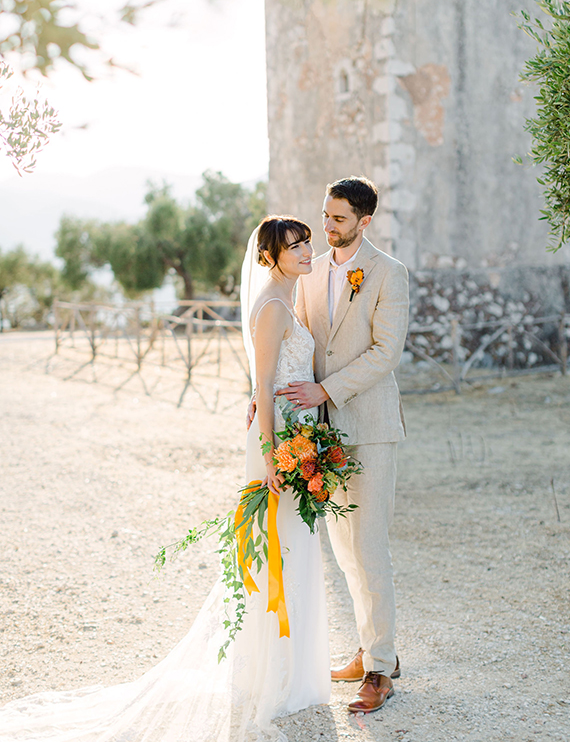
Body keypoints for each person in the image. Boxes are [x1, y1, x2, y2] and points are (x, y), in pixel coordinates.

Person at [0, 215, 330, 742]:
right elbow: (263, 385)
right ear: (270, 256)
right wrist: (271, 455)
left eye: (308, 241)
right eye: (296, 245)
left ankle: (289, 669)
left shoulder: (289, 297)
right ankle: (272, 675)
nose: (307, 250)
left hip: (298, 436)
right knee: (278, 550)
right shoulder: (271, 306)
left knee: (295, 548)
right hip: (278, 443)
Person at [276, 176, 409, 715]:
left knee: (369, 548)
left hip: (372, 426)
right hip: (322, 431)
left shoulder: (389, 273)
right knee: (343, 550)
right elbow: (301, 339)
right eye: (325, 216)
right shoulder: (310, 273)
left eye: (338, 219)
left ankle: (381, 670)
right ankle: (371, 648)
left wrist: (326, 390)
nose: (326, 227)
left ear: (364, 221)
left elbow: (386, 353)